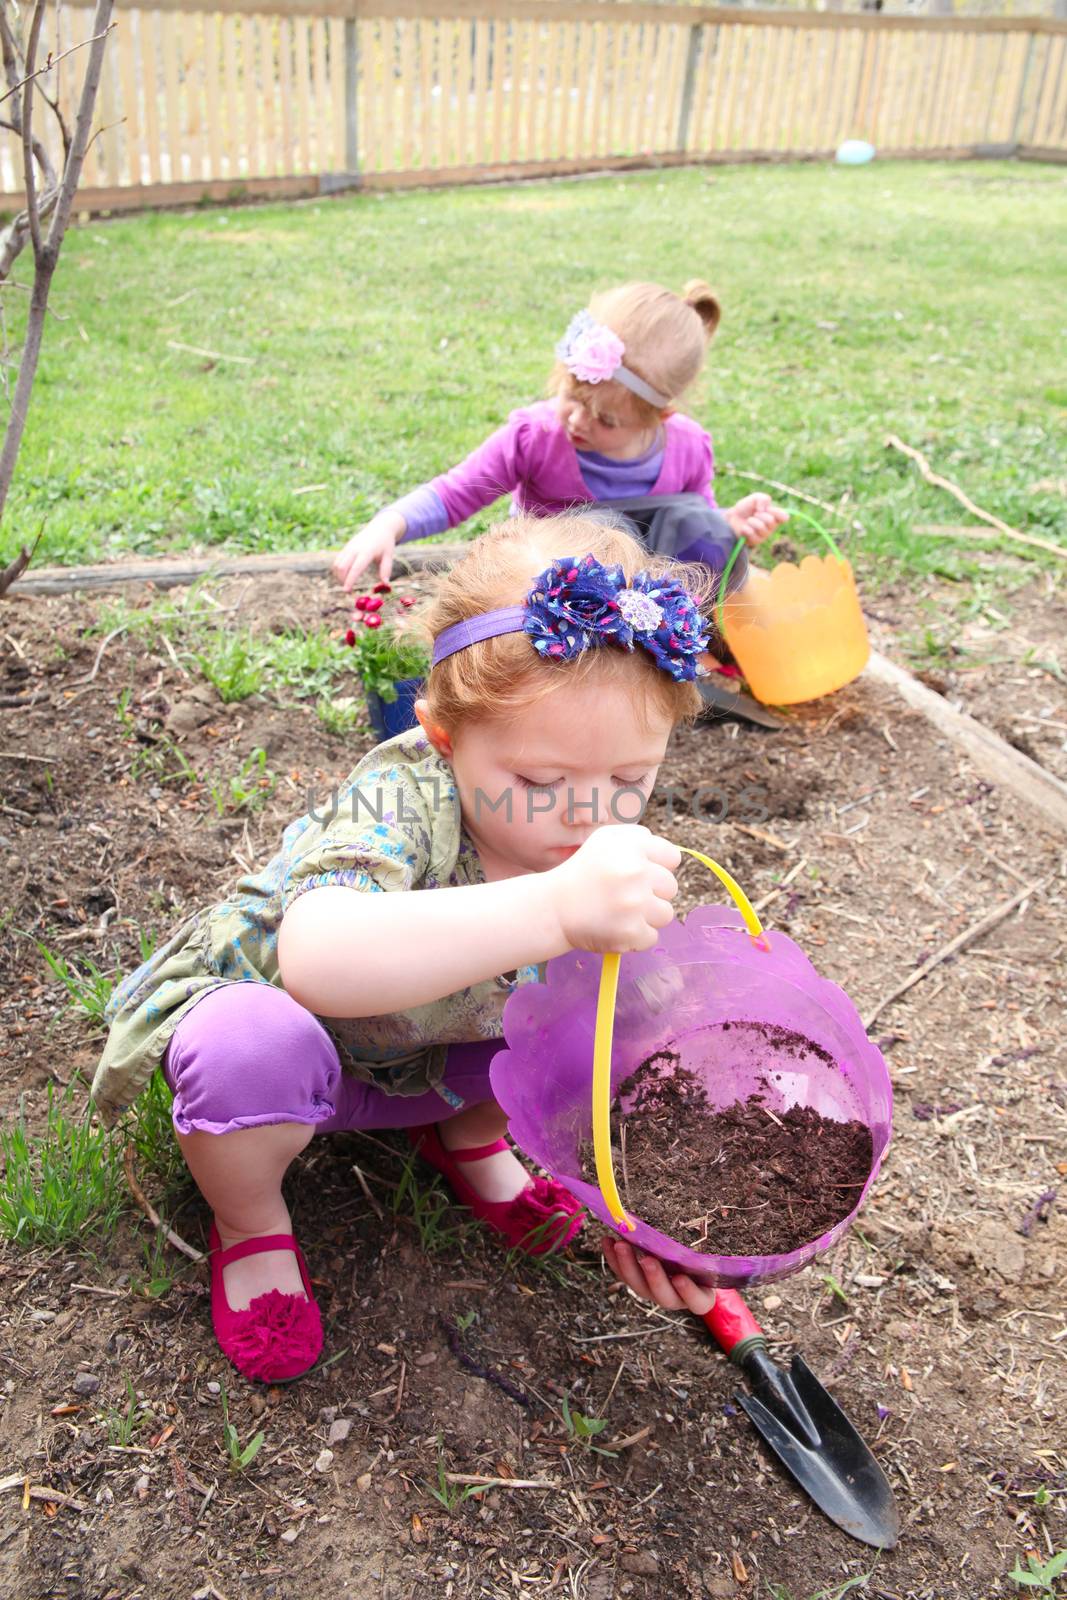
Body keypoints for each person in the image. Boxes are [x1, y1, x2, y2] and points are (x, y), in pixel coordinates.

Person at [93, 513, 722, 1385]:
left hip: (431, 1056)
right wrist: (551, 908)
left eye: (629, 780)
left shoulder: (586, 829)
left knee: (617, 1004)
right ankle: (250, 1224)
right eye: (539, 782)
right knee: (243, 1045)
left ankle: (468, 1138)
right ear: (443, 737)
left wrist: (638, 1205)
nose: (585, 814)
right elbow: (318, 959)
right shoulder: (399, 799)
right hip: (308, 1059)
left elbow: (630, 1034)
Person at [332, 280, 788, 594]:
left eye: (605, 420)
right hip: (542, 595)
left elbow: (690, 526)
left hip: (639, 601)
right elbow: (455, 492)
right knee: (596, 536)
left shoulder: (687, 446)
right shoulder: (536, 436)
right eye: (571, 396)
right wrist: (389, 524)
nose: (577, 421)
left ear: (660, 416)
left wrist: (727, 527)